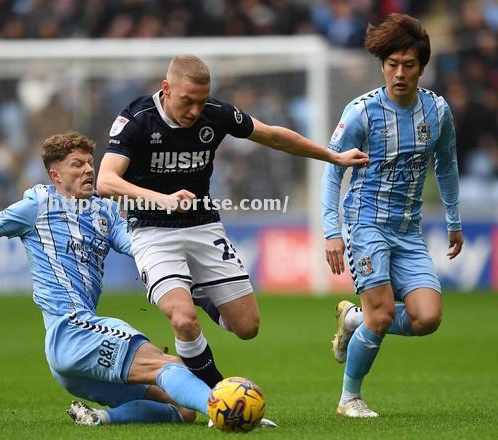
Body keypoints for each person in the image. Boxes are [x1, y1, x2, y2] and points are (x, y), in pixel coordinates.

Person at [0, 131, 214, 427]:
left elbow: (141, 251)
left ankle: (101, 420)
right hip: (72, 328)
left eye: (90, 162)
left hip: (71, 361)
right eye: (77, 164)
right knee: (168, 366)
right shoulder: (37, 206)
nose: (89, 169)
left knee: (182, 410)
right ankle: (226, 406)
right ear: (55, 175)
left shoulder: (106, 211)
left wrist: (185, 272)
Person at [97, 54, 370, 393]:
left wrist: (333, 156)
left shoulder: (216, 114)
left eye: (201, 101)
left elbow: (273, 136)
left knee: (247, 326)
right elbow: (106, 181)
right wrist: (161, 199)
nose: (196, 111)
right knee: (183, 320)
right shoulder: (138, 118)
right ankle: (218, 395)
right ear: (166, 88)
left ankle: (196, 291)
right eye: (187, 101)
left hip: (203, 226)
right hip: (152, 231)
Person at [321, 14, 464, 418]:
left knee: (427, 318)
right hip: (366, 225)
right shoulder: (361, 112)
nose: (399, 74)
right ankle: (350, 398)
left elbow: (448, 164)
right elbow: (333, 171)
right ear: (382, 65)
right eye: (392, 65)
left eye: (409, 65)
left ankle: (353, 319)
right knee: (382, 314)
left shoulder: (436, 112)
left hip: (408, 231)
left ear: (422, 66)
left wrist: (454, 220)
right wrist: (332, 230)